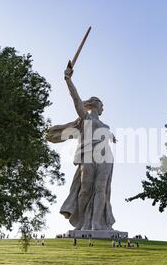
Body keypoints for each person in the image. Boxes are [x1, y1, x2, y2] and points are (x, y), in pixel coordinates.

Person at [46, 64, 117, 231]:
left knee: (101, 189)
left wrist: (111, 136)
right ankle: (81, 221)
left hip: (105, 156)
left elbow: (103, 134)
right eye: (102, 104)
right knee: (85, 190)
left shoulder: (104, 124)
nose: (103, 108)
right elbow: (76, 100)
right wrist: (68, 80)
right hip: (88, 156)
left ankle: (96, 223)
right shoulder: (85, 118)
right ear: (94, 105)